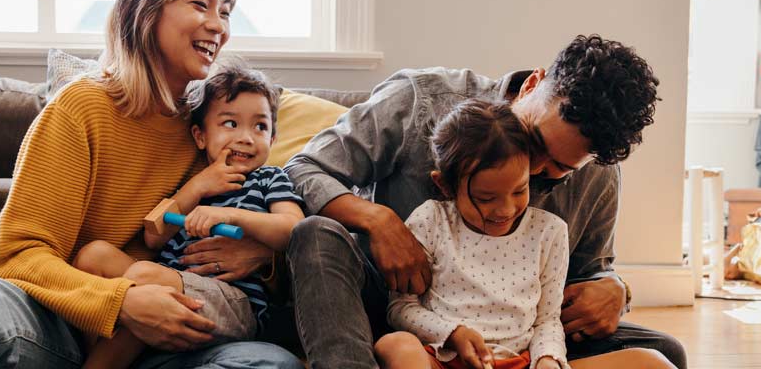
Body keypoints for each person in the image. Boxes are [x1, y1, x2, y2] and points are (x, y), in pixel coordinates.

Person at [0, 0, 303, 368]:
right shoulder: (80, 109)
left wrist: (262, 257)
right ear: (146, 8)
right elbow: (14, 257)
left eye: (225, 11)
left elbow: (283, 255)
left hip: (181, 336)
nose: (219, 26)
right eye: (200, 4)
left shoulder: (214, 127)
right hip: (68, 331)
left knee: (269, 362)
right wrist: (119, 302)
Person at [284, 35, 687, 369]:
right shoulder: (420, 100)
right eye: (536, 143)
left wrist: (615, 289)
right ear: (533, 84)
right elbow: (303, 168)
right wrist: (378, 220)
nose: (532, 169)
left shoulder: (596, 174)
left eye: (558, 168)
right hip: (395, 311)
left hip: (515, 333)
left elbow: (589, 273)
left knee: (667, 354)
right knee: (316, 235)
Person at [373, 101, 674, 369]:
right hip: (444, 358)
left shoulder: (550, 232)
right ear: (446, 187)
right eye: (486, 197)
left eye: (519, 190)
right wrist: (452, 334)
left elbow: (547, 320)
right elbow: (401, 308)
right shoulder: (431, 220)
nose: (505, 209)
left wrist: (548, 358)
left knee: (653, 361)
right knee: (394, 345)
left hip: (519, 361)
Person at [72, 61, 304, 369]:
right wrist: (196, 188)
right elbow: (153, 236)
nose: (247, 137)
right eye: (231, 124)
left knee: (145, 279)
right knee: (93, 255)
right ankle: (111, 354)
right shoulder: (194, 183)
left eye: (260, 126)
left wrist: (233, 218)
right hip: (176, 283)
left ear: (272, 140)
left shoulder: (269, 179)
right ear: (200, 136)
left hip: (234, 302)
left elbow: (295, 228)